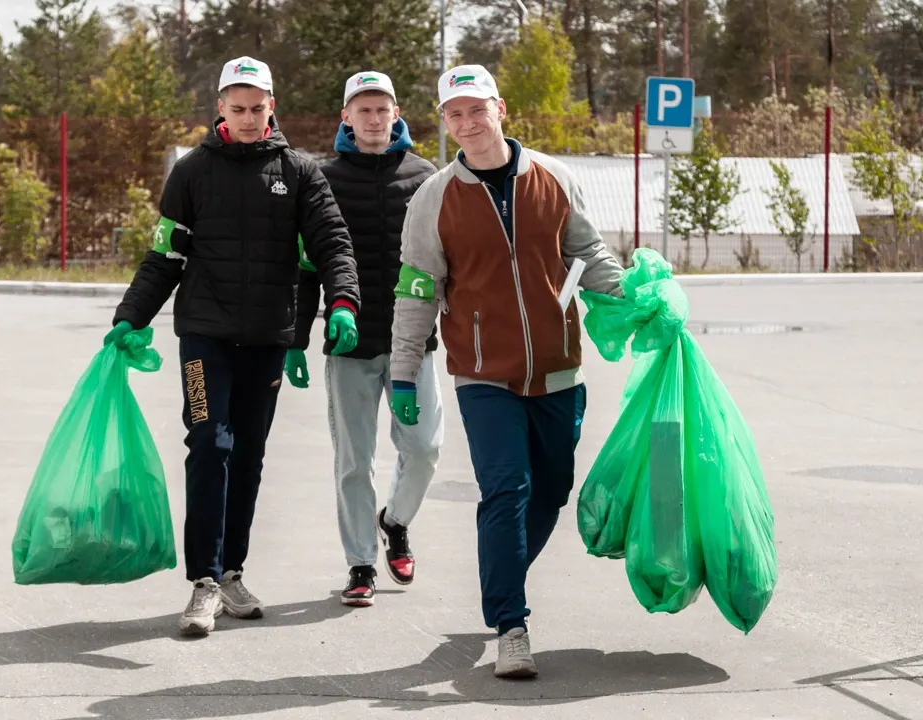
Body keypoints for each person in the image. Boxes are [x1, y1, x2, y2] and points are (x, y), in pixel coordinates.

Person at [107, 56, 361, 636]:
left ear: (272, 106)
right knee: (209, 441)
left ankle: (232, 571)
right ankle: (203, 582)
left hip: (267, 338)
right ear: (220, 108)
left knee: (247, 453)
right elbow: (165, 254)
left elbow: (333, 242)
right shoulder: (192, 171)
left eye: (257, 108)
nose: (248, 119)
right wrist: (132, 315)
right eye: (237, 108)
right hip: (203, 337)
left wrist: (343, 301)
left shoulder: (298, 171)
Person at [388, 64, 624, 678]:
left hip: (557, 368)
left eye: (476, 109)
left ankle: (503, 576)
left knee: (550, 490)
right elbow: (417, 291)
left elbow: (586, 250)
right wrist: (404, 371)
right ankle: (510, 623)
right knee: (507, 488)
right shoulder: (434, 198)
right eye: (454, 114)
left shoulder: (554, 176)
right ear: (444, 121)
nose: (466, 123)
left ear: (499, 108)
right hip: (483, 372)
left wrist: (631, 296)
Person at [286, 71, 442, 608]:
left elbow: (451, 265)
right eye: (364, 111)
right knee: (354, 461)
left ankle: (394, 520)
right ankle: (360, 562)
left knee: (424, 449)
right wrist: (296, 335)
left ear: (397, 114)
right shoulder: (321, 179)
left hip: (414, 344)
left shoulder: (428, 177)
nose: (374, 120)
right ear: (345, 118)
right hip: (349, 345)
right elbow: (306, 266)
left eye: (383, 110)